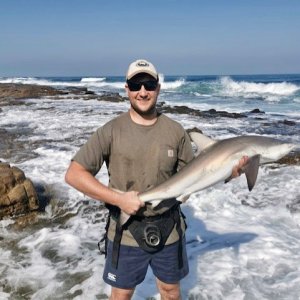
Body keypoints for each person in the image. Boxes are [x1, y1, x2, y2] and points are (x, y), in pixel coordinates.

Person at [65, 59, 247, 300]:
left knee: (171, 292)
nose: (143, 91)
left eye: (149, 84)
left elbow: (195, 177)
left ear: (158, 88)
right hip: (127, 230)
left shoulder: (175, 131)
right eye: (136, 84)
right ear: (126, 89)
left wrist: (229, 172)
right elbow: (74, 174)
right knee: (121, 294)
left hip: (169, 228)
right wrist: (119, 199)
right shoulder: (110, 131)